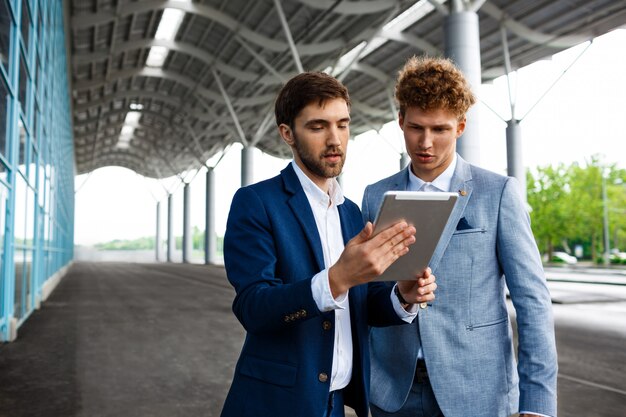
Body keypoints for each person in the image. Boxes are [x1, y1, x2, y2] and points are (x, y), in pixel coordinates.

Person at [220, 71, 437, 417]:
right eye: (318, 127)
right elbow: (253, 308)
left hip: (336, 404)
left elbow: (361, 304)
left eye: (343, 124)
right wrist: (336, 279)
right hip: (275, 405)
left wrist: (402, 296)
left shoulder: (351, 212)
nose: (335, 140)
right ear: (287, 134)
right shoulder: (256, 203)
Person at [362, 56, 558, 417]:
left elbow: (532, 301)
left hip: (477, 389)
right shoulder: (375, 196)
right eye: (416, 127)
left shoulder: (497, 192)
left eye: (440, 130)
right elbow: (367, 293)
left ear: (461, 126)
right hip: (392, 392)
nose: (426, 143)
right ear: (400, 120)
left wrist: (537, 403)